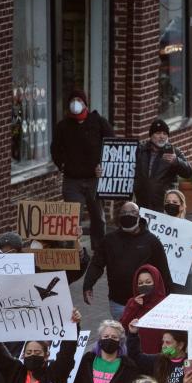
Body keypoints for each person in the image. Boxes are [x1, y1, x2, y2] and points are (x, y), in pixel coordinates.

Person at [84, 201, 172, 321]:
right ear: (119, 217)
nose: (128, 215)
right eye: (124, 212)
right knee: (122, 337)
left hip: (146, 303)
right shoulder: (109, 240)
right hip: (119, 303)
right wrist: (88, 284)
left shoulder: (152, 241)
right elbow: (96, 264)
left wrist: (167, 299)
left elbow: (163, 271)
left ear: (139, 216)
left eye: (132, 212)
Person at [51, 87, 112, 244]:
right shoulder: (63, 126)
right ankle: (73, 254)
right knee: (72, 220)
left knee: (98, 219)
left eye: (78, 100)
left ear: (85, 103)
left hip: (94, 180)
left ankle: (99, 253)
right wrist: (62, 165)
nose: (75, 104)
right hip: (73, 181)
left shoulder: (99, 123)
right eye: (72, 101)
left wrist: (104, 166)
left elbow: (112, 145)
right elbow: (55, 149)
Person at [128, 325, 192, 383]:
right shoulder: (158, 360)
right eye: (163, 342)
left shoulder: (191, 362)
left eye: (168, 343)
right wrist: (133, 334)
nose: (163, 346)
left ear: (180, 345)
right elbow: (135, 357)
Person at [134, 118, 192, 209]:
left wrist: (176, 161)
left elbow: (189, 172)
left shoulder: (174, 152)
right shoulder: (141, 151)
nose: (162, 136)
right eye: (158, 133)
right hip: (142, 203)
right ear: (151, 135)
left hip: (164, 204)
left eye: (165, 134)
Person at [120, 265, 170, 354]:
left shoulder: (166, 304)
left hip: (162, 356)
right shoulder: (133, 303)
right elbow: (122, 326)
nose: (144, 285)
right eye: (140, 283)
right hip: (138, 356)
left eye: (148, 282)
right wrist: (134, 306)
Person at [163, 188, 192, 295]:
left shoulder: (190, 229)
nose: (171, 204)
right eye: (168, 202)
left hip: (183, 277)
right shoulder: (158, 227)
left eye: (175, 202)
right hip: (163, 276)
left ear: (181, 206)